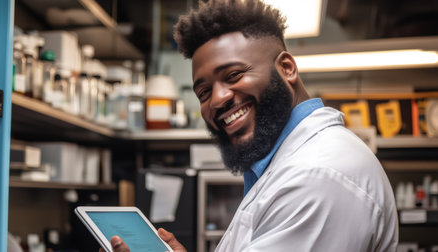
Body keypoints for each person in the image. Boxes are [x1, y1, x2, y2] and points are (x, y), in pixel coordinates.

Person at [103, 0, 398, 251]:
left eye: (233, 75)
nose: (217, 99)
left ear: (286, 68)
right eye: (203, 92)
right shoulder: (288, 164)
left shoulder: (317, 176)